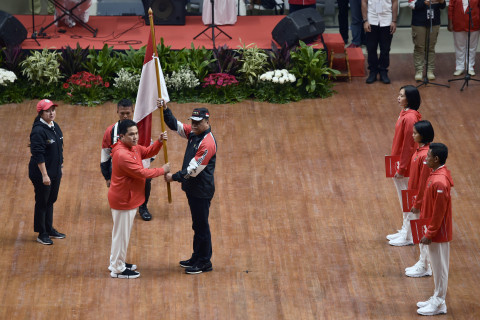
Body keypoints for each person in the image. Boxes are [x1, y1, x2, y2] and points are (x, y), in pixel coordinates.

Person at [159, 99, 217, 275]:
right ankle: (196, 257)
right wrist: (166, 109)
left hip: (201, 191)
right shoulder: (193, 133)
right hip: (193, 190)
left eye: (198, 123)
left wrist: (173, 177)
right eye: (193, 121)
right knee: (197, 225)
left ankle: (204, 262)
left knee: (201, 226)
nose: (194, 125)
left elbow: (193, 170)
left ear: (207, 122)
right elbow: (175, 125)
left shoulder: (207, 143)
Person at [108, 120, 170, 279]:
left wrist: (159, 142)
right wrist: (162, 170)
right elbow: (142, 173)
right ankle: (118, 269)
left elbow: (147, 152)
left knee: (121, 235)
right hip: (123, 201)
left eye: (136, 133)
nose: (135, 137)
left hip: (127, 199)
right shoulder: (122, 154)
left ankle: (117, 262)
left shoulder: (132, 147)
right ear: (122, 136)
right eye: (131, 134)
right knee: (121, 235)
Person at [101, 99, 154, 221]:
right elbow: (105, 155)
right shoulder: (110, 131)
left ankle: (143, 208)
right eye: (122, 113)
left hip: (138, 165)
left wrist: (145, 163)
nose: (125, 116)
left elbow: (150, 147)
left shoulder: (140, 128)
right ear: (117, 112)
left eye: (128, 113)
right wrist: (107, 177)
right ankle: (121, 207)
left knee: (146, 180)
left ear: (133, 111)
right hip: (118, 168)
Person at [416, 143, 453, 316]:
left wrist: (429, 233)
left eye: (429, 156)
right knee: (437, 268)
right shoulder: (436, 175)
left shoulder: (440, 182)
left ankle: (440, 302)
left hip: (438, 233)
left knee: (440, 269)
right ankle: (436, 297)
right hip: (433, 230)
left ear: (436, 159)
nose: (426, 159)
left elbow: (439, 213)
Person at [389, 120, 434, 251]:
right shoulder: (419, 151)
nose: (412, 135)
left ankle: (423, 262)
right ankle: (407, 235)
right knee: (414, 221)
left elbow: (424, 180)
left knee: (421, 230)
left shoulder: (425, 155)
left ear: (423, 135)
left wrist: (418, 201)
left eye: (415, 133)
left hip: (419, 196)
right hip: (414, 193)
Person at [386, 85, 422, 240]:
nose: (398, 98)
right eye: (399, 95)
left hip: (405, 165)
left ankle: (408, 235)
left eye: (402, 95)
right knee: (404, 199)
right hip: (399, 161)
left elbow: (408, 145)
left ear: (410, 99)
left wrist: (402, 167)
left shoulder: (409, 118)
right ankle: (405, 229)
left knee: (408, 199)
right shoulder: (405, 114)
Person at [29, 99, 65, 245]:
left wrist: (60, 166)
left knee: (51, 200)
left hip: (55, 171)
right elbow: (38, 154)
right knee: (42, 202)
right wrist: (44, 175)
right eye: (48, 110)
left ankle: (49, 228)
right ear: (41, 113)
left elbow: (59, 148)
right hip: (42, 173)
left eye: (53, 109)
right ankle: (41, 233)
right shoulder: (38, 131)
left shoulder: (54, 126)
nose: (52, 113)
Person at [362, 0, 398, 84]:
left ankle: (383, 71)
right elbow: (363, 2)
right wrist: (365, 20)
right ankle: (373, 71)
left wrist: (394, 21)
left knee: (385, 49)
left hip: (387, 20)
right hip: (371, 19)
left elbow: (395, 2)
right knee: (371, 48)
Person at [411, 0, 446, 81]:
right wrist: (423, 2)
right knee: (419, 47)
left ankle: (430, 70)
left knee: (431, 47)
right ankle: (419, 71)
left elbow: (443, 6)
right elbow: (412, 5)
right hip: (418, 22)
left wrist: (441, 1)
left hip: (434, 22)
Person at [448, 0, 480, 76]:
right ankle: (460, 67)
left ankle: (470, 67)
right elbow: (450, 7)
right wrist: (450, 22)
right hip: (458, 23)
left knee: (472, 47)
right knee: (459, 47)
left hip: (474, 23)